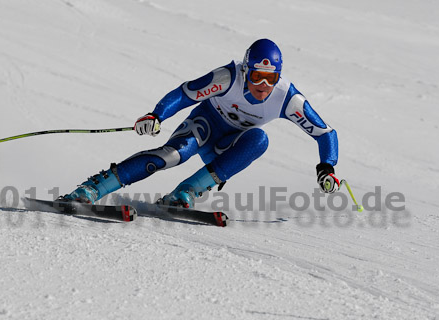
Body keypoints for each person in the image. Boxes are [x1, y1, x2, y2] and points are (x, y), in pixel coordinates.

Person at [61, 38, 340, 208]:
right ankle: (92, 189)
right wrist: (156, 115)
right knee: (172, 156)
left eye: (271, 78)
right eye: (257, 77)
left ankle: (187, 192)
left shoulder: (287, 97)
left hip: (228, 144)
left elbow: (325, 133)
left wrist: (326, 167)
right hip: (204, 126)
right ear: (246, 71)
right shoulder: (228, 77)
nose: (264, 86)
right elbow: (186, 93)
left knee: (260, 140)